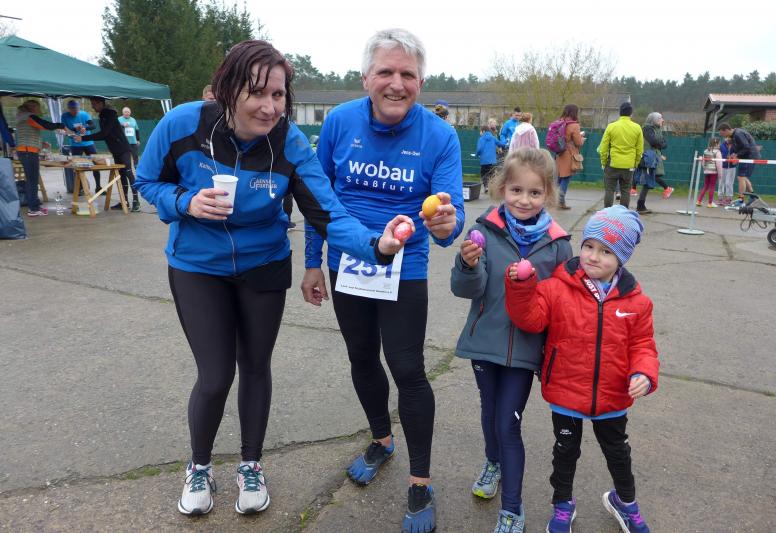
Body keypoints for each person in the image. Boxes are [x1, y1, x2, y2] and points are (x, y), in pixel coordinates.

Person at [134, 39, 412, 518]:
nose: (269, 107)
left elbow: (327, 212)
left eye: (278, 95)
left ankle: (250, 465)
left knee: (255, 365)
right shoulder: (183, 124)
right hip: (198, 266)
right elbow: (146, 181)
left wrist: (377, 245)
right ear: (228, 89)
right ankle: (199, 467)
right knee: (215, 375)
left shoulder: (288, 142)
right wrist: (184, 202)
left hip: (264, 265)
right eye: (257, 93)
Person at [301, 28, 464, 533]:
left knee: (408, 369)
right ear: (365, 78)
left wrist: (447, 225)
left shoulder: (440, 136)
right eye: (386, 72)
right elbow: (318, 200)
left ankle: (420, 482)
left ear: (421, 82)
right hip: (348, 262)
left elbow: (450, 219)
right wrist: (312, 261)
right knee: (361, 357)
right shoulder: (339, 122)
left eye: (407, 74)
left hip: (403, 268)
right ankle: (381, 439)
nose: (397, 83)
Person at [505, 205, 659, 533]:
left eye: (606, 251)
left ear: (622, 258)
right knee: (565, 452)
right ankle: (563, 504)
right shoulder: (556, 287)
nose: (593, 256)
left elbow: (643, 345)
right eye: (589, 246)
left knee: (618, 453)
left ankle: (625, 502)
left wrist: (644, 374)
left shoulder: (637, 302)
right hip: (565, 391)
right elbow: (530, 319)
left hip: (613, 396)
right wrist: (521, 286)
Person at [451, 148, 571, 533]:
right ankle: (493, 463)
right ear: (502, 188)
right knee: (489, 413)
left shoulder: (558, 244)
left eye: (535, 193)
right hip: (484, 344)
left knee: (508, 423)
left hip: (525, 350)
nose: (524, 200)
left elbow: (562, 304)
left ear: (548, 194)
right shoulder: (484, 231)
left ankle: (512, 508)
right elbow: (467, 290)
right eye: (516, 190)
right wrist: (468, 264)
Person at [74, 97, 139, 211]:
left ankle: (136, 202)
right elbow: (106, 134)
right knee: (121, 175)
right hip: (115, 150)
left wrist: (83, 138)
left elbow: (104, 134)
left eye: (94, 104)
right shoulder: (103, 115)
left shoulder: (110, 115)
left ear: (101, 103)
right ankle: (124, 202)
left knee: (129, 173)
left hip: (123, 148)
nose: (93, 107)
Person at [14, 100, 66, 216]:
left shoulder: (22, 117)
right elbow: (45, 125)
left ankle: (35, 206)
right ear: (33, 107)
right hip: (28, 152)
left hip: (26, 151)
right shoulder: (30, 116)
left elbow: (27, 134)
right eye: (38, 108)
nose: (39, 110)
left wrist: (41, 143)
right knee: (32, 180)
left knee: (32, 179)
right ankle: (33, 209)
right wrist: (61, 125)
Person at [598, 102, 643, 208]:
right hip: (629, 165)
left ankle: (607, 212)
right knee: (626, 190)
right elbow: (639, 150)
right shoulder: (637, 128)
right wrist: (635, 163)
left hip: (612, 163)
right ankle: (623, 213)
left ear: (619, 113)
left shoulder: (611, 126)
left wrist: (604, 162)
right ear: (631, 113)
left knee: (609, 190)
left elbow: (603, 148)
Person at [61, 100, 102, 193]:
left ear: (79, 108)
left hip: (88, 143)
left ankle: (98, 187)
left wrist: (85, 128)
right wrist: (75, 129)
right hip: (75, 144)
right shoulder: (65, 116)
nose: (75, 112)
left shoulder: (84, 114)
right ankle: (79, 188)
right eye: (73, 110)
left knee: (96, 164)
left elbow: (93, 126)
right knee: (76, 166)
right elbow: (65, 129)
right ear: (69, 109)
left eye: (77, 110)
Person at [718, 123, 759, 206]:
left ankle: (741, 200)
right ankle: (753, 196)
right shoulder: (734, 135)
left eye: (722, 134)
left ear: (726, 130)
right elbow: (741, 147)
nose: (723, 136)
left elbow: (746, 147)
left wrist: (736, 155)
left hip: (749, 157)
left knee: (741, 177)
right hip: (745, 157)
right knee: (743, 177)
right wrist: (735, 154)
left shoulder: (738, 134)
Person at [554, 104, 585, 210]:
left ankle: (551, 199)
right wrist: (582, 139)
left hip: (559, 153)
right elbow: (578, 142)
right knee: (566, 177)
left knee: (558, 178)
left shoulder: (559, 122)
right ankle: (560, 201)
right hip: (568, 154)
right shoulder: (574, 125)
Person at [639, 112, 674, 201]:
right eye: (660, 118)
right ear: (654, 120)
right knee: (649, 175)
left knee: (651, 175)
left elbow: (664, 144)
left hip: (653, 156)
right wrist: (660, 144)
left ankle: (667, 188)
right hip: (648, 156)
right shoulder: (647, 129)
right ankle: (667, 188)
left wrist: (659, 144)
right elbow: (653, 141)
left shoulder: (658, 130)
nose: (663, 120)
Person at [476, 124, 503, 192]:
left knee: (484, 174)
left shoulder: (481, 139)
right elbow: (500, 144)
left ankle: (486, 187)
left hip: (484, 161)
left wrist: (477, 154)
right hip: (492, 161)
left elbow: (479, 149)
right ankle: (493, 188)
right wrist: (505, 144)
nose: (480, 133)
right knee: (492, 175)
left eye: (480, 131)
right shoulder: (493, 138)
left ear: (483, 131)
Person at [698, 137, 723, 208]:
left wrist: (705, 169)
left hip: (707, 171)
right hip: (714, 172)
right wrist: (720, 174)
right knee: (712, 187)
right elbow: (719, 164)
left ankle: (699, 201)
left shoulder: (706, 151)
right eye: (719, 143)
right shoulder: (718, 152)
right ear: (716, 144)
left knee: (705, 186)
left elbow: (703, 161)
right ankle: (710, 203)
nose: (720, 145)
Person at [717, 136, 737, 206]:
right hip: (722, 166)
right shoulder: (721, 145)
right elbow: (718, 155)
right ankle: (720, 198)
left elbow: (737, 156)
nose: (728, 139)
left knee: (729, 183)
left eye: (729, 138)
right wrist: (725, 157)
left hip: (731, 167)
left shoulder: (735, 146)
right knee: (721, 183)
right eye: (727, 137)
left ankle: (729, 198)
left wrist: (734, 158)